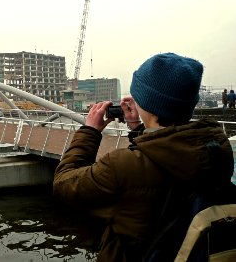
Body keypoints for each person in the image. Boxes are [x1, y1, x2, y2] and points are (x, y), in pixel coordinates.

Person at [53, 53, 235, 261]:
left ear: (149, 105)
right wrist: (139, 127)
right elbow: (166, 151)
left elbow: (64, 184)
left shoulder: (121, 166)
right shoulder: (215, 151)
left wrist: (90, 131)